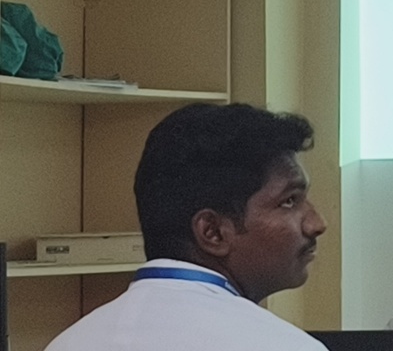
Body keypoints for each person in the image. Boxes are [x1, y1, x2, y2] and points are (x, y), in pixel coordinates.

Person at [46, 102, 328, 351]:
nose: (317, 224)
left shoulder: (67, 343)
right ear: (212, 232)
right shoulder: (286, 346)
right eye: (289, 201)